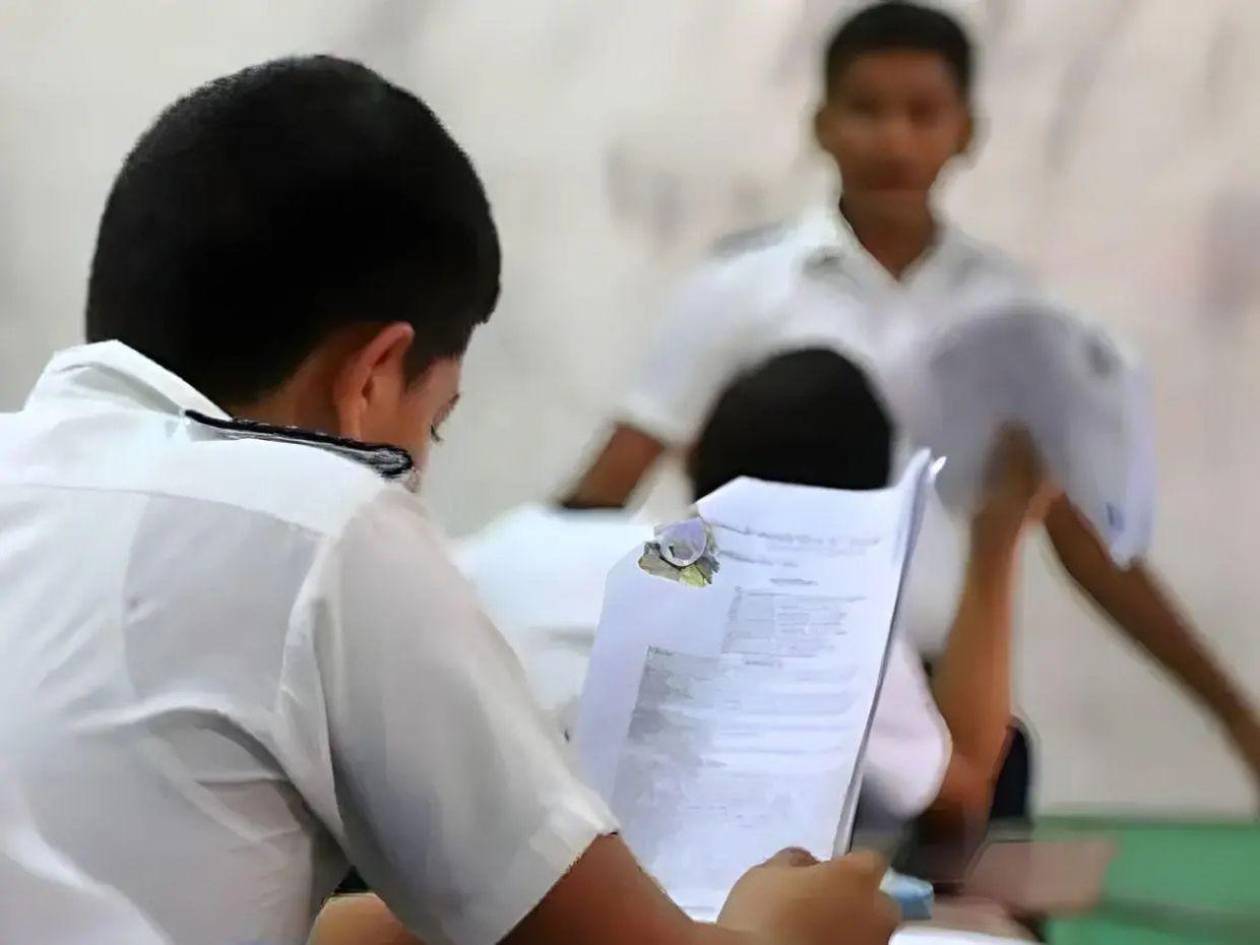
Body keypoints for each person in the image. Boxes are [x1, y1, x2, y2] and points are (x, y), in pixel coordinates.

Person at [0, 58, 899, 945]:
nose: (422, 463)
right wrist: (783, 929)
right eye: (439, 419)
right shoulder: (321, 516)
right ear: (372, 376)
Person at [563, 0, 1260, 791]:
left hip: (958, 704)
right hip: (764, 697)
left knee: (977, 870)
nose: (894, 140)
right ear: (822, 125)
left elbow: (1079, 527)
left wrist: (1232, 710)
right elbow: (609, 484)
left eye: (923, 113)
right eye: (866, 110)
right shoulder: (741, 289)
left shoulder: (1009, 315)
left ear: (967, 132)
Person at [463, 349, 1050, 841]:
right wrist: (996, 542)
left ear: (694, 453)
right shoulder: (821, 609)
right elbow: (964, 796)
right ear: (866, 514)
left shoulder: (513, 543)